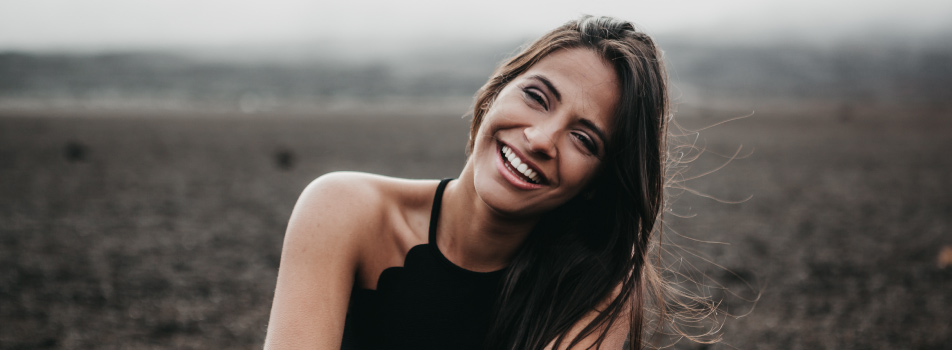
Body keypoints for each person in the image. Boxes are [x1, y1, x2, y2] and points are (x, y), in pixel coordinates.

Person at [264, 15, 681, 350]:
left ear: (597, 183)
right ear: (495, 92)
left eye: (584, 139)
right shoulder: (342, 209)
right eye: (537, 97)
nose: (539, 138)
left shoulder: (595, 286)